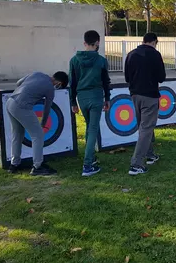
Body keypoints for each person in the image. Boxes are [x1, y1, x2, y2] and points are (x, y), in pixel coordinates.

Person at [7, 71, 69, 176]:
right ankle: (37, 166)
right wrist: (43, 123)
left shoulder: (37, 74)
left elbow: (18, 83)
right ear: (59, 82)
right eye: (59, 86)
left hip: (10, 102)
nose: (57, 88)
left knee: (17, 134)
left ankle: (14, 164)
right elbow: (47, 107)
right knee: (38, 135)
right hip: (22, 106)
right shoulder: (50, 88)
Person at [69, 30, 111, 177]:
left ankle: (91, 159)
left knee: (89, 127)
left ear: (84, 43)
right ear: (98, 42)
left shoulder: (74, 60)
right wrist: (107, 99)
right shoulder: (101, 61)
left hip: (82, 97)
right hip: (96, 96)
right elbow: (106, 82)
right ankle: (87, 165)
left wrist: (73, 102)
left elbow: (72, 83)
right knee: (93, 129)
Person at [124, 33, 166, 176]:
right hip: (150, 95)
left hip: (135, 94)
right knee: (146, 128)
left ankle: (150, 154)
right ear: (154, 42)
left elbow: (126, 77)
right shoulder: (155, 54)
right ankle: (136, 164)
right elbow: (162, 77)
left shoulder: (131, 54)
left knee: (143, 126)